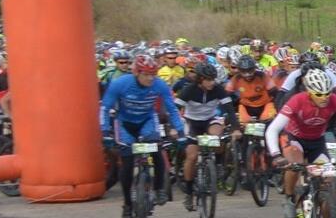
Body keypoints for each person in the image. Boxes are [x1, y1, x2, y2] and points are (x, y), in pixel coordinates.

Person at [264, 69, 336, 218]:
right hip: (295, 139)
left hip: (317, 143)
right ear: (309, 92)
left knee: (328, 180)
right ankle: (289, 199)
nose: (324, 98)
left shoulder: (335, 100)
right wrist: (276, 155)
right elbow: (273, 129)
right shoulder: (297, 100)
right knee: (294, 165)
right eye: (319, 94)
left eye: (327, 93)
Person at [101, 54, 186, 202]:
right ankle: (127, 203)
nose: (150, 79)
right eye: (146, 74)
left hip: (147, 120)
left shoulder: (159, 84)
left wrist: (180, 132)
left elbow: (172, 109)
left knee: (157, 152)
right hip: (125, 122)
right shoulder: (120, 83)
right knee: (127, 164)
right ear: (136, 72)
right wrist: (105, 132)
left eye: (153, 75)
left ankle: (159, 188)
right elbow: (105, 108)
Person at [171, 62, 236, 205]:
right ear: (200, 79)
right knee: (192, 157)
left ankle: (218, 166)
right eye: (209, 79)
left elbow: (229, 109)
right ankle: (189, 192)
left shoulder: (218, 89)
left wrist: (236, 128)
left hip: (209, 120)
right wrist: (174, 128)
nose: (212, 82)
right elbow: (174, 109)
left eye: (213, 79)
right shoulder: (189, 90)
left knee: (218, 136)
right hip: (192, 122)